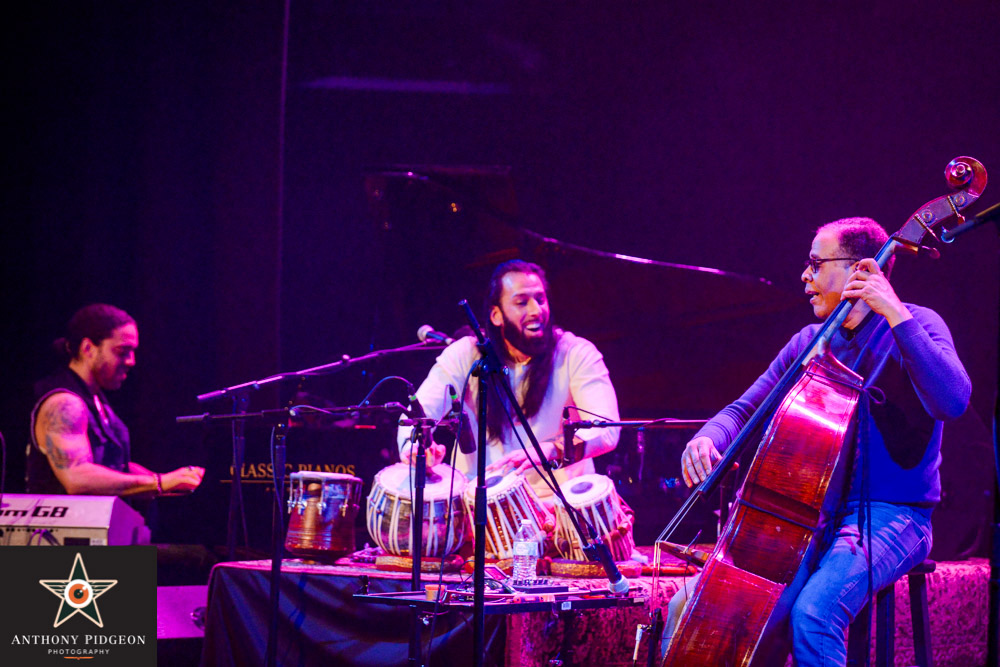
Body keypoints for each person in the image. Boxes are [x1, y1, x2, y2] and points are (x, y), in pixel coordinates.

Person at [662, 218, 971, 666]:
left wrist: (895, 312)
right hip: (809, 521)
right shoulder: (810, 343)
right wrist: (708, 438)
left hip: (896, 515)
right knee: (722, 604)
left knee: (814, 613)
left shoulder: (917, 324)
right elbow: (744, 409)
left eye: (815, 264)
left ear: (859, 269)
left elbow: (954, 400)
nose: (804, 277)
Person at [397, 259, 620, 504]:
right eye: (522, 302)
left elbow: (606, 428)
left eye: (540, 299)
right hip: (480, 509)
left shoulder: (576, 353)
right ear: (496, 315)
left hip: (561, 507)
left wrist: (550, 450)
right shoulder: (465, 355)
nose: (536, 310)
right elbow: (418, 413)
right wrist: (415, 446)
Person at [27, 304, 205, 498]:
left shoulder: (96, 401)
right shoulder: (65, 404)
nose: (131, 361)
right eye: (123, 351)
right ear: (88, 348)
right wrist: (159, 483)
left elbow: (114, 467)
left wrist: (168, 480)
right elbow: (76, 476)